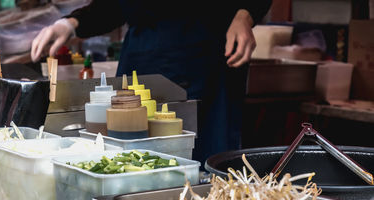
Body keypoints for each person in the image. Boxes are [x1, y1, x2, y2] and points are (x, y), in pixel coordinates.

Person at [31, 0, 272, 165]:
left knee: (206, 165)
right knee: (130, 161)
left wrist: (244, 15)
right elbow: (117, 6)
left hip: (208, 57)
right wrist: (71, 24)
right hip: (141, 57)